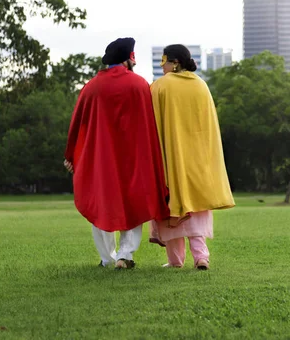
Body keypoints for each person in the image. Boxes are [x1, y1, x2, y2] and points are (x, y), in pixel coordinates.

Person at [64, 37, 169, 269]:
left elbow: (77, 124)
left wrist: (71, 154)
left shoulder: (92, 87)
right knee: (133, 203)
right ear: (128, 58)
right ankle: (126, 255)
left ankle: (106, 257)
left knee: (101, 202)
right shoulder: (139, 84)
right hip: (133, 157)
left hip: (101, 158)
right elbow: (149, 122)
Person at [149, 44, 235, 270]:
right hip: (199, 157)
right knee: (197, 208)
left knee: (172, 203)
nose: (163, 67)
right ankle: (201, 257)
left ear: (174, 62)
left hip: (172, 156)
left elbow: (151, 124)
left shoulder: (160, 86)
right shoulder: (201, 85)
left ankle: (175, 260)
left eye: (165, 62)